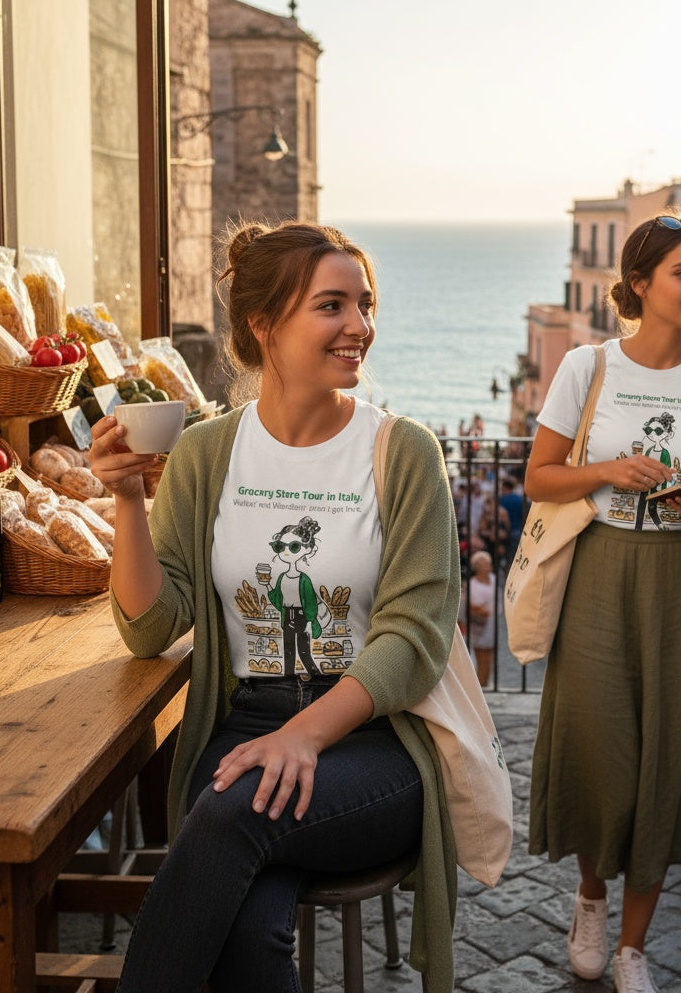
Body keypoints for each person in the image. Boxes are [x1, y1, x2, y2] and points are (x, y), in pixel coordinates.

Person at [88, 220, 462, 993]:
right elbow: (154, 626)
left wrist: (303, 734)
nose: (359, 326)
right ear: (264, 326)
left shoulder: (404, 452)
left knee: (227, 816)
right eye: (332, 306)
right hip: (242, 726)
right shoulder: (205, 452)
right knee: (248, 936)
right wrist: (127, 497)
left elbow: (413, 637)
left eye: (365, 305)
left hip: (371, 742)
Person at [522, 211, 681, 993]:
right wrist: (607, 472)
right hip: (598, 572)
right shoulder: (589, 369)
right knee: (602, 746)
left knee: (669, 751)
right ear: (642, 284)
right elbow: (540, 477)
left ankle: (632, 946)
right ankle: (590, 896)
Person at [466, 549, 497, 686]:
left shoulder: (493, 579)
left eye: (488, 563)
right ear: (477, 567)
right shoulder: (472, 585)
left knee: (490, 661)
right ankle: (481, 687)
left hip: (492, 625)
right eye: (484, 564)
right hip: (479, 627)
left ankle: (485, 684)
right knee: (482, 661)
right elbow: (471, 606)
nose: (488, 566)